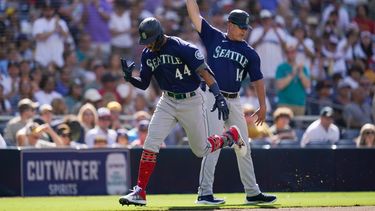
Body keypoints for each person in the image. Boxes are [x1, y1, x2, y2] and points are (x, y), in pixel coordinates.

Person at [118, 17, 245, 206]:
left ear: (159, 35)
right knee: (151, 141)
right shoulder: (148, 54)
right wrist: (130, 78)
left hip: (192, 99)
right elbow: (144, 84)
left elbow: (204, 72)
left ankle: (230, 136)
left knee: (201, 150)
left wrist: (218, 96)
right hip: (167, 100)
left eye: (150, 40)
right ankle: (140, 191)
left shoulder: (181, 46)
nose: (148, 45)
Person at [186, 0, 276, 205]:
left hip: (235, 100)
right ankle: (204, 193)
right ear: (230, 25)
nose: (244, 30)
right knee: (213, 144)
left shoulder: (250, 52)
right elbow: (195, 16)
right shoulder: (214, 37)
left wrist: (263, 106)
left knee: (243, 145)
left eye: (246, 27)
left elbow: (258, 81)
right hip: (213, 96)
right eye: (241, 26)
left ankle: (252, 192)